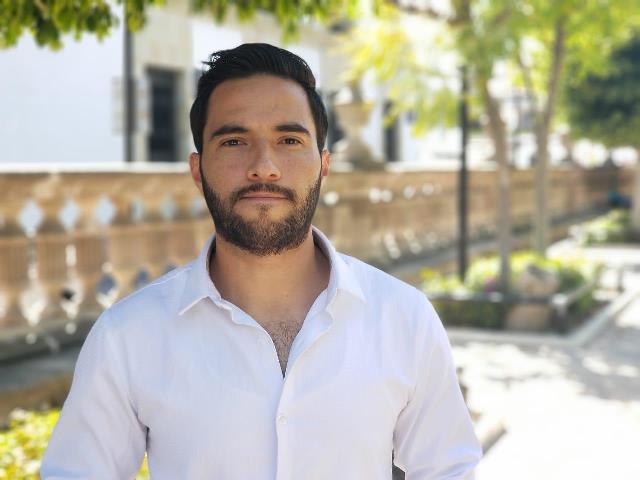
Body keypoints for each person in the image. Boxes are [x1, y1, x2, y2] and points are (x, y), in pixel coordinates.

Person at [41, 43, 481, 479]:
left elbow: (449, 470)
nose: (264, 167)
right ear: (197, 171)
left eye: (289, 140)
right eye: (234, 141)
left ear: (324, 165)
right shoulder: (127, 336)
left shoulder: (403, 317)